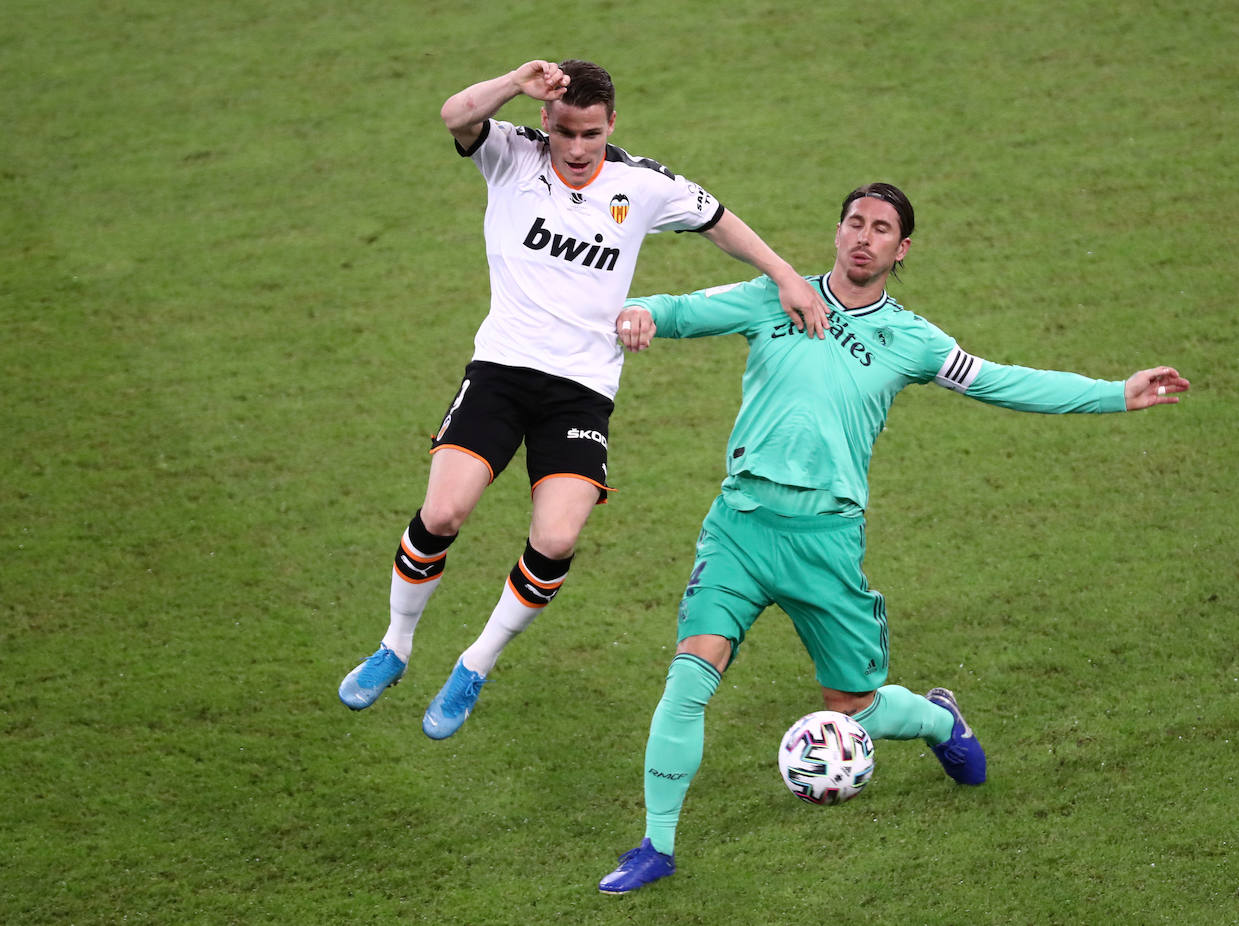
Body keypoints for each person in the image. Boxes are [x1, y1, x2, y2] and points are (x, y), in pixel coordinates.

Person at [597, 182, 1191, 893]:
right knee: (689, 679)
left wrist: (1114, 393)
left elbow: (1001, 381)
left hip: (826, 542)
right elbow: (680, 310)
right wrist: (640, 312)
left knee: (853, 704)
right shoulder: (776, 294)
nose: (863, 236)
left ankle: (938, 722)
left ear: (900, 249)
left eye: (881, 229)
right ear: (838, 231)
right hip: (741, 528)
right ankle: (656, 846)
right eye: (854, 222)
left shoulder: (911, 339)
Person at [337, 59, 829, 740]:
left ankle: (475, 665)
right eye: (565, 132)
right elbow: (455, 115)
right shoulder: (509, 154)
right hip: (501, 372)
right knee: (444, 512)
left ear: (612, 126)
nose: (575, 149)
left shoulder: (643, 184)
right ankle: (395, 645)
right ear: (547, 119)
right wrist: (514, 80)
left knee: (558, 536)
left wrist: (784, 276)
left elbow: (718, 221)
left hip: (581, 391)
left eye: (590, 135)